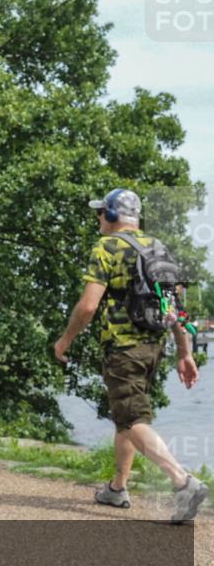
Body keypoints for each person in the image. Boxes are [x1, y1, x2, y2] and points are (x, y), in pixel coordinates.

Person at [53, 188, 208, 522]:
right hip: (154, 347)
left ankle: (183, 481)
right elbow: (174, 310)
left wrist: (65, 340)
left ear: (110, 215)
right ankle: (117, 487)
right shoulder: (158, 248)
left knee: (133, 418)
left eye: (100, 213)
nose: (97, 218)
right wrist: (184, 353)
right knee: (125, 414)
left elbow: (89, 305)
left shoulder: (106, 247)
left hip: (122, 349)